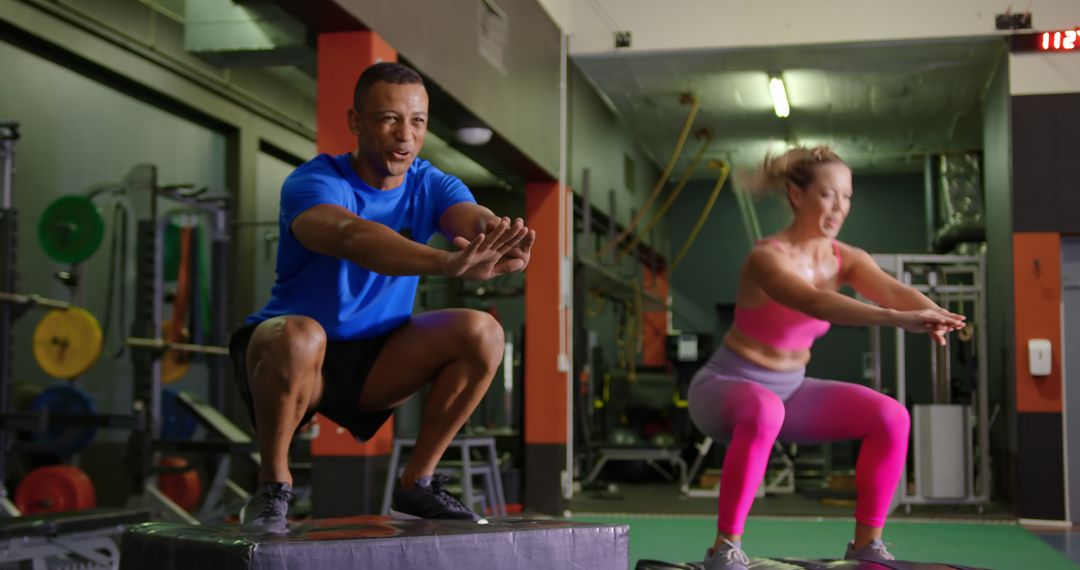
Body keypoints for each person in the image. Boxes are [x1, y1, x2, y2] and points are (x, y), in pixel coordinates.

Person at [228, 62, 536, 533]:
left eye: (417, 121)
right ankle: (272, 488)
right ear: (355, 122)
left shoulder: (430, 182)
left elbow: (467, 216)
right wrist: (442, 262)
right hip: (293, 358)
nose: (404, 136)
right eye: (388, 118)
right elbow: (352, 236)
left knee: (484, 332)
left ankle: (417, 485)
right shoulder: (314, 182)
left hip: (376, 358)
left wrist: (495, 236)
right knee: (300, 333)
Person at [688, 147, 966, 569]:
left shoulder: (847, 259)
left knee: (891, 416)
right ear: (796, 195)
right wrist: (897, 318)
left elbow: (893, 290)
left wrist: (934, 313)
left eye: (847, 196)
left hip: (792, 393)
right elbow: (816, 303)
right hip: (724, 388)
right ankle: (724, 548)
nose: (840, 207)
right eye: (828, 194)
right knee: (763, 409)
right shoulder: (767, 258)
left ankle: (867, 545)